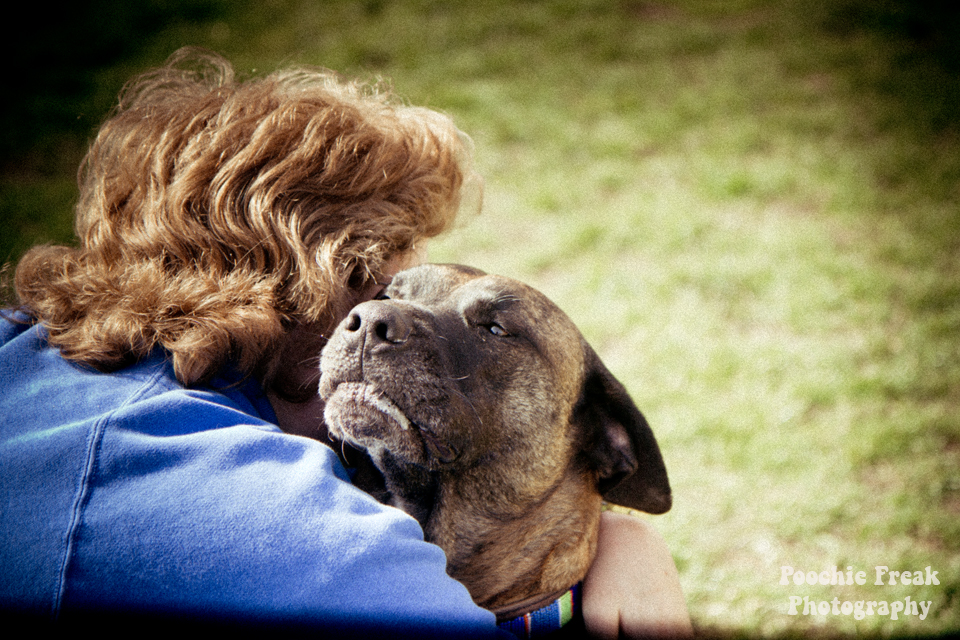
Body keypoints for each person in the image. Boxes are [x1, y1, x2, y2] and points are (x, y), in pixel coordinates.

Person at [0, 48, 691, 637]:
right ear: (301, 282)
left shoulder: (25, 350)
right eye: (377, 286)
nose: (376, 321)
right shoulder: (301, 543)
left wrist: (615, 531)